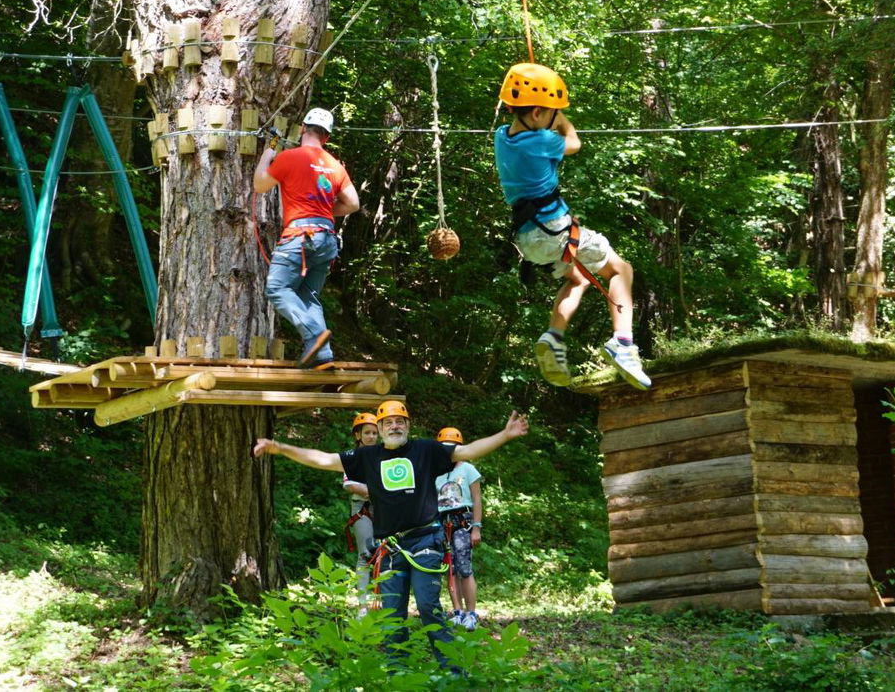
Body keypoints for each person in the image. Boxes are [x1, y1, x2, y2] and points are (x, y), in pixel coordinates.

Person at [252, 400, 528, 668]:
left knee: (428, 606)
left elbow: (466, 451)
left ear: (408, 425)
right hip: (392, 547)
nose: (394, 426)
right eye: (388, 422)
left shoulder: (426, 450)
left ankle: (453, 669)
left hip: (425, 541)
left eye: (399, 421)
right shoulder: (367, 456)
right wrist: (280, 447)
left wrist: (505, 435)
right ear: (380, 428)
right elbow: (324, 460)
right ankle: (397, 671)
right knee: (392, 613)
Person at [492, 63, 650, 390]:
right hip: (553, 229)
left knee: (578, 279)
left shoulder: (502, 138)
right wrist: (561, 119)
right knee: (622, 270)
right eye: (552, 111)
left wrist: (550, 113)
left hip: (528, 237)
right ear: (537, 113)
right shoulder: (542, 141)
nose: (557, 116)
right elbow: (574, 142)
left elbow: (537, 124)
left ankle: (553, 337)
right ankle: (623, 344)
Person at [253, 107, 359, 367]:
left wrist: (267, 154)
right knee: (309, 295)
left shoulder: (290, 157)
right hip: (326, 238)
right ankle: (323, 356)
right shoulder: (335, 166)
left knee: (277, 289)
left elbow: (260, 185)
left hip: (299, 236)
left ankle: (314, 333)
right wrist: (324, 211)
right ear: (327, 138)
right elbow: (353, 204)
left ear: (303, 128)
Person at [434, 427, 483, 629]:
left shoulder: (468, 469)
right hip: (442, 521)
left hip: (462, 520)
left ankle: (471, 612)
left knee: (464, 567)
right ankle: (457, 610)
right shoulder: (436, 472)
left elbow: (477, 499)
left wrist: (476, 528)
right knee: (450, 567)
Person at [342, 412, 380, 601]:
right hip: (362, 508)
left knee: (387, 552)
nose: (371, 437)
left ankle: (386, 601)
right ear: (358, 435)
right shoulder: (353, 457)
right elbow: (349, 484)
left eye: (374, 433)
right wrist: (374, 491)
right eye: (367, 433)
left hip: (384, 509)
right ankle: (362, 605)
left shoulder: (385, 455)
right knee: (365, 554)